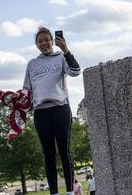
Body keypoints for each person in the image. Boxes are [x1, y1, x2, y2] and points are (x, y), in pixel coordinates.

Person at [23, 26, 81, 195]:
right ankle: (54, 193)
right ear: (36, 45)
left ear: (52, 41)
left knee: (64, 151)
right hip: (41, 113)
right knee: (48, 154)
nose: (44, 43)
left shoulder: (61, 58)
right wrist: (19, 107)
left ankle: (70, 191)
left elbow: (76, 72)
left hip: (60, 110)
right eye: (40, 41)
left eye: (47, 40)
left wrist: (66, 50)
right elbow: (27, 90)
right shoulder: (32, 64)